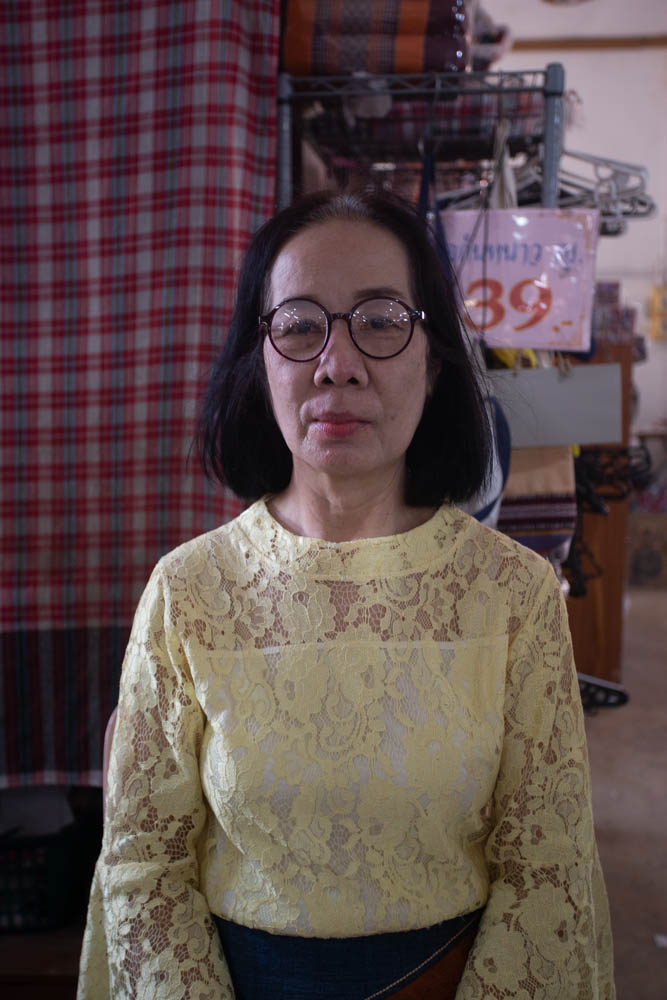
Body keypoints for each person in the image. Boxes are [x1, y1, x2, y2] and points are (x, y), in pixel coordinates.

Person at [78, 190, 615, 999]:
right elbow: (142, 866)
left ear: (434, 364)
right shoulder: (188, 591)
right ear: (259, 361)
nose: (337, 362)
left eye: (380, 320)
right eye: (299, 326)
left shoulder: (513, 593)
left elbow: (548, 870)